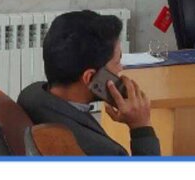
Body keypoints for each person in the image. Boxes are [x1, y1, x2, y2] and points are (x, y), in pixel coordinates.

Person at [17, 10, 160, 156]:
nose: (121, 69)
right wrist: (141, 127)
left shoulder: (31, 95)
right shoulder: (102, 151)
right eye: (117, 62)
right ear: (90, 77)